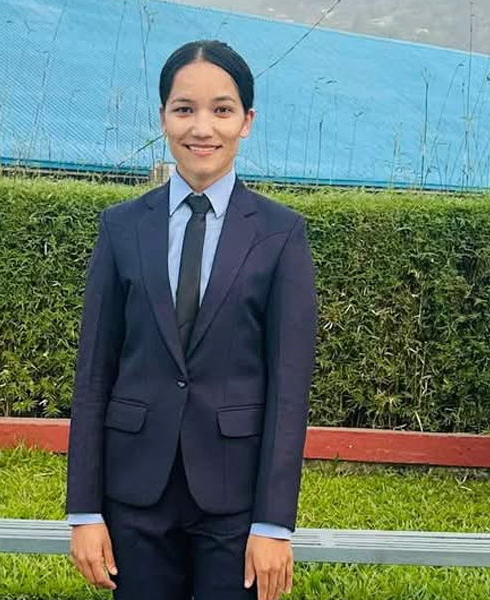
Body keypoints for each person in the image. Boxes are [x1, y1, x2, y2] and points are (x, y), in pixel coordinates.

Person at [64, 39, 319, 600]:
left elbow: (288, 389)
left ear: (246, 121)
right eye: (185, 109)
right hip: (134, 495)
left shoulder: (280, 234)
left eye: (221, 109)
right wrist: (83, 510)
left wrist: (274, 523)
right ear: (163, 117)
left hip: (235, 500)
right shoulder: (121, 228)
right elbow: (94, 375)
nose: (202, 127)